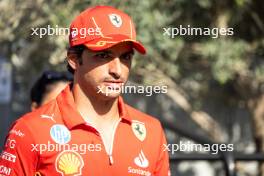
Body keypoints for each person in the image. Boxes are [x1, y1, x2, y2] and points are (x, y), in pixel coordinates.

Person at [0, 6, 170, 176]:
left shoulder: (151, 130)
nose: (117, 70)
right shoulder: (29, 130)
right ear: (74, 59)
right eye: (104, 55)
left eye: (125, 57)